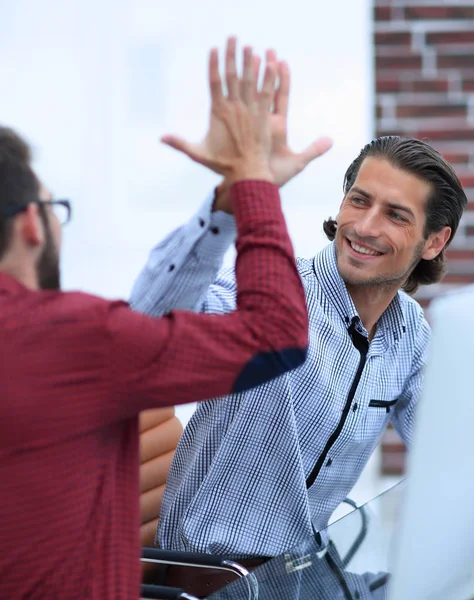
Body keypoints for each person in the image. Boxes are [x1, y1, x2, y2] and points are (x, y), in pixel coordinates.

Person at [130, 50, 468, 595]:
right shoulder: (270, 288)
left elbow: (454, 450)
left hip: (301, 574)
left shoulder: (409, 333)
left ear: (434, 241)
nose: (364, 225)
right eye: (359, 200)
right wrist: (229, 200)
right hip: (215, 578)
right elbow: (149, 324)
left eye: (395, 214)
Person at [0, 38, 310, 600]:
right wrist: (253, 179)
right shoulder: (74, 338)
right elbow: (277, 336)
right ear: (31, 225)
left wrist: (228, 202)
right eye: (55, 207)